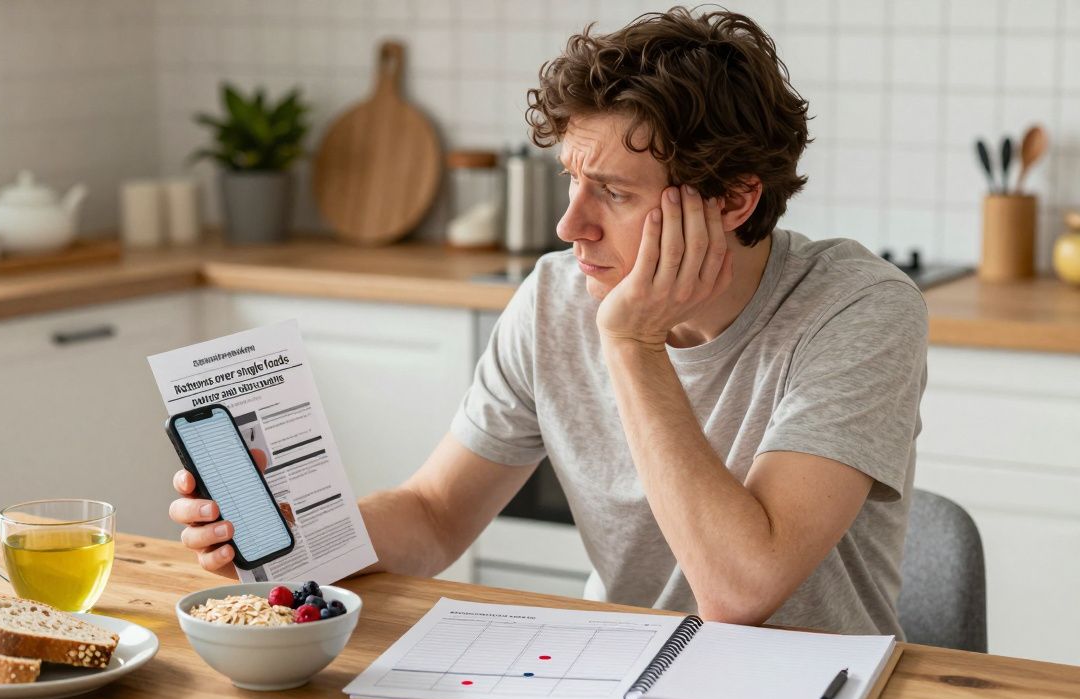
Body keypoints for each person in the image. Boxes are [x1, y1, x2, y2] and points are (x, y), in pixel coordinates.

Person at [170, 7, 927, 637]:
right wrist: (302, 536)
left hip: (814, 696)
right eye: (570, 181)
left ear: (732, 201)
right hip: (612, 680)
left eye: (614, 193)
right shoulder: (554, 296)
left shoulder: (857, 309)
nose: (570, 226)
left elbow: (738, 593)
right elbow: (435, 517)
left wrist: (631, 343)